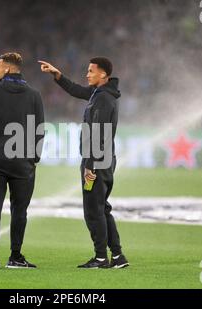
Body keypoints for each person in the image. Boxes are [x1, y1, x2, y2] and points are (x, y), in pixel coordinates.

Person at [39, 57, 129, 269]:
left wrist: (89, 165)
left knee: (92, 210)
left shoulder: (103, 99)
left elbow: (97, 134)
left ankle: (100, 258)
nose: (87, 74)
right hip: (103, 159)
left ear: (103, 75)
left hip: (96, 161)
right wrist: (57, 75)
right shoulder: (101, 94)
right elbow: (77, 90)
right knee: (102, 208)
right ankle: (117, 256)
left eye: (91, 71)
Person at [0, 52, 44, 269]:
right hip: (22, 162)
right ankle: (15, 256)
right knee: (20, 210)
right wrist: (34, 158)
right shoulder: (34, 95)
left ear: (7, 69)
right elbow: (39, 130)